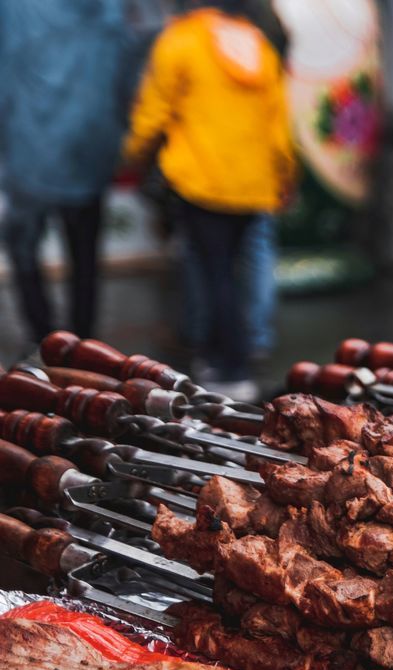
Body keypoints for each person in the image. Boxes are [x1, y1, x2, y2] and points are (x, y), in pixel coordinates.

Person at [123, 0, 295, 399]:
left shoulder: (180, 42)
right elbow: (278, 121)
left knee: (214, 273)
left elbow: (152, 111)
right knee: (229, 272)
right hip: (252, 183)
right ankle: (230, 352)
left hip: (201, 181)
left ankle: (229, 367)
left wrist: (132, 155)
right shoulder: (256, 44)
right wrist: (284, 173)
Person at [0, 0, 136, 346]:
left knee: (25, 246)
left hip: (30, 144)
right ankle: (83, 342)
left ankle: (43, 337)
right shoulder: (108, 6)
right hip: (90, 144)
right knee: (85, 250)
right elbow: (128, 66)